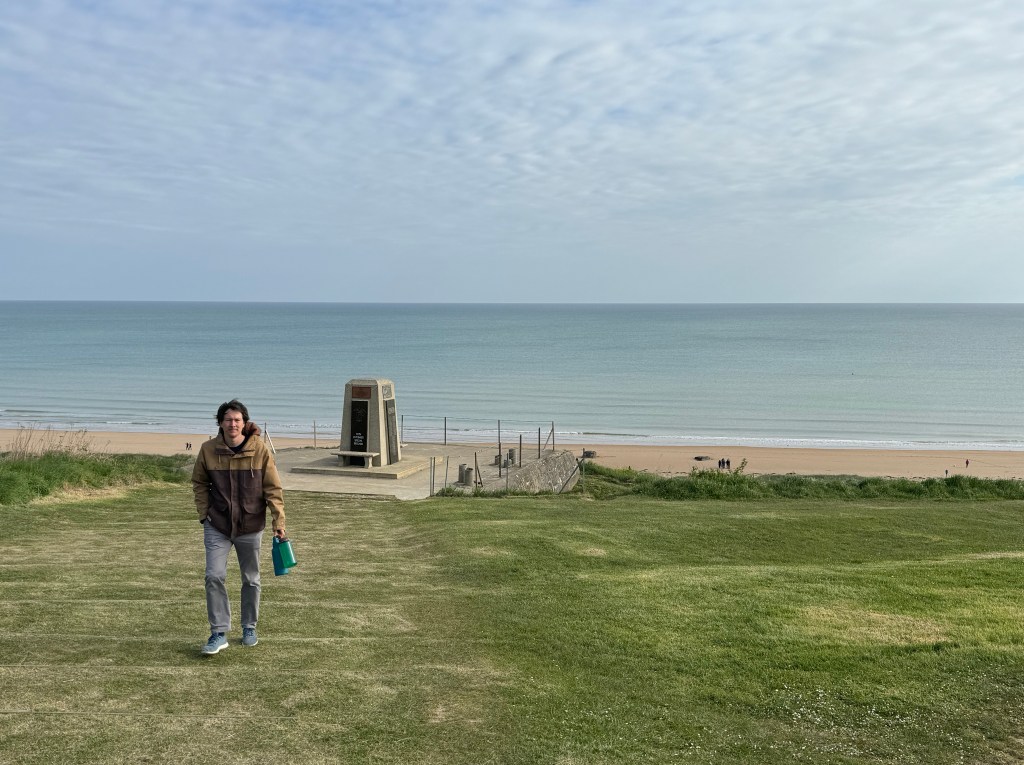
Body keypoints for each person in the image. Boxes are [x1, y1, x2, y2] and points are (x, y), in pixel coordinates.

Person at [192, 400, 285, 655]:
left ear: (244, 423)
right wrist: (204, 514)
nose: (232, 424)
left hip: (251, 525)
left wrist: (279, 521)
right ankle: (218, 633)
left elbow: (273, 488)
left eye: (237, 420)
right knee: (214, 576)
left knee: (251, 579)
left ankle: (249, 627)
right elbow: (199, 483)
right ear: (220, 423)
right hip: (217, 525)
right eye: (228, 420)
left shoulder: (260, 449)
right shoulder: (208, 449)